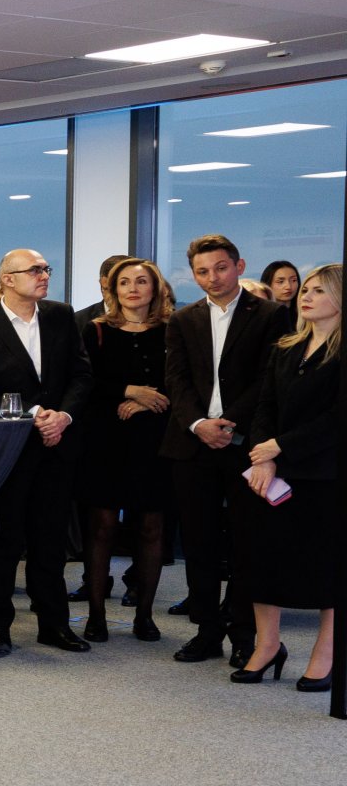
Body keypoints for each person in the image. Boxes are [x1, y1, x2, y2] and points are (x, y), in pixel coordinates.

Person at [162, 234, 293, 665]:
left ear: (239, 266)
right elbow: (176, 380)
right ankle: (206, 631)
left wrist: (228, 422)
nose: (212, 278)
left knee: (246, 541)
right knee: (197, 542)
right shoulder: (183, 319)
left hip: (247, 444)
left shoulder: (271, 314)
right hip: (193, 443)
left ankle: (243, 633)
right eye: (202, 271)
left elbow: (269, 379)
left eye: (220, 268)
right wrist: (199, 424)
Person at [0, 249, 93, 652]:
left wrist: (63, 416)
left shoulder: (60, 316)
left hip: (58, 446)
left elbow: (81, 374)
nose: (44, 275)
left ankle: (53, 625)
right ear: (7, 279)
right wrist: (36, 414)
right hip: (10, 451)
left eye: (45, 269)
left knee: (51, 541)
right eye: (34, 270)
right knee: (4, 542)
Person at [232, 264, 339, 689]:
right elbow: (265, 407)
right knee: (263, 560)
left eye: (318, 290)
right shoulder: (286, 347)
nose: (305, 296)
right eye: (305, 289)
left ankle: (327, 653)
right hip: (274, 472)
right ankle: (268, 645)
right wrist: (264, 458)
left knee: (327, 567)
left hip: (325, 473)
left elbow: (336, 419)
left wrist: (281, 446)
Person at [76, 259, 174, 643]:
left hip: (155, 438)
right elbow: (85, 382)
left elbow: (180, 382)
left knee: (151, 527)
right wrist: (128, 391)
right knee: (101, 526)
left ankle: (144, 616)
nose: (133, 288)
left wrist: (146, 402)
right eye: (124, 282)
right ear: (113, 289)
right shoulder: (96, 330)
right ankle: (96, 615)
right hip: (105, 438)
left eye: (141, 281)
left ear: (155, 288)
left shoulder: (173, 330)